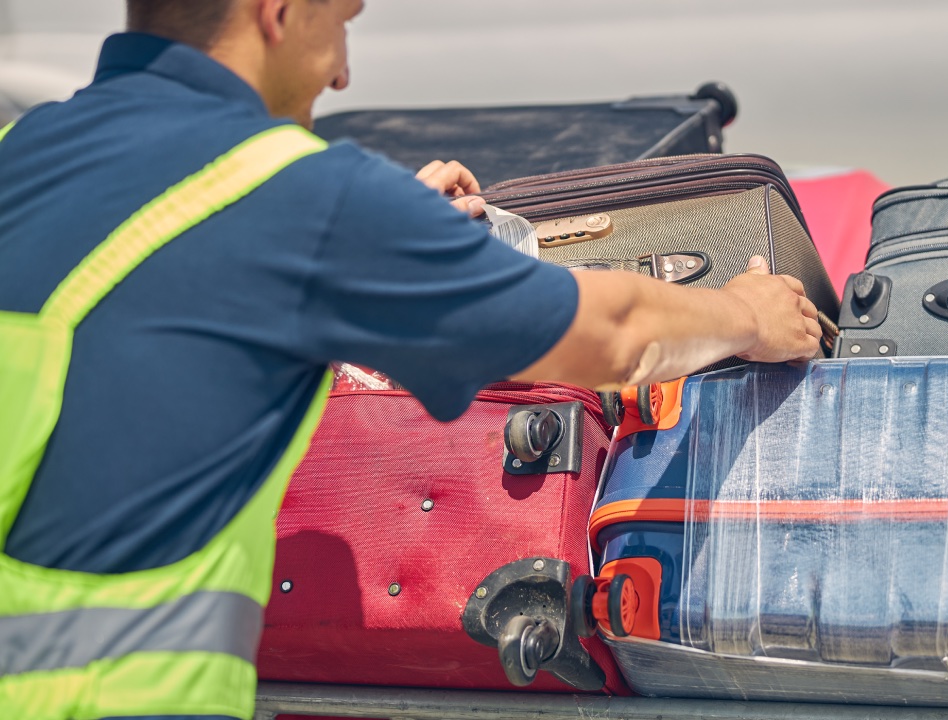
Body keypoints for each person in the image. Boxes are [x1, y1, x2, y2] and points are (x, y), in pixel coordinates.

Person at [0, 0, 820, 718]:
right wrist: (745, 315)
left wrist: (391, 249)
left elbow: (148, 337)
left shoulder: (21, 150)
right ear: (277, 12)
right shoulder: (297, 196)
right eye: (341, 24)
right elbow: (613, 336)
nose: (344, 76)